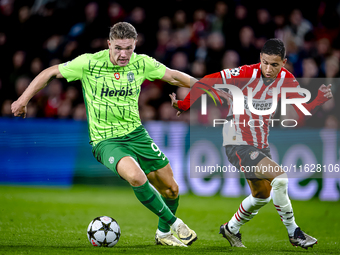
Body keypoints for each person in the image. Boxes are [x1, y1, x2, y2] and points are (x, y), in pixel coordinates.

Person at [11, 22, 197, 247]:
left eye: (128, 48)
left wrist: (210, 88)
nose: (123, 54)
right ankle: (176, 224)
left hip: (137, 134)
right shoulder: (88, 63)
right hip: (105, 140)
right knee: (137, 177)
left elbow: (174, 77)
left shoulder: (141, 63)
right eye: (118, 48)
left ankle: (163, 234)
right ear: (109, 44)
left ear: (135, 44)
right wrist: (23, 99)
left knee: (171, 189)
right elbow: (50, 72)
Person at [170, 38, 333, 249]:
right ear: (260, 58)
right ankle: (294, 233)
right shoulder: (245, 73)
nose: (268, 68)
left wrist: (318, 100)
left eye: (274, 64)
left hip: (260, 144)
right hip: (236, 142)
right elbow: (208, 80)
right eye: (265, 62)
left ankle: (230, 228)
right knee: (280, 179)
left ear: (284, 63)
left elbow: (300, 113)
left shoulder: (288, 80)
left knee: (262, 196)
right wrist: (184, 104)